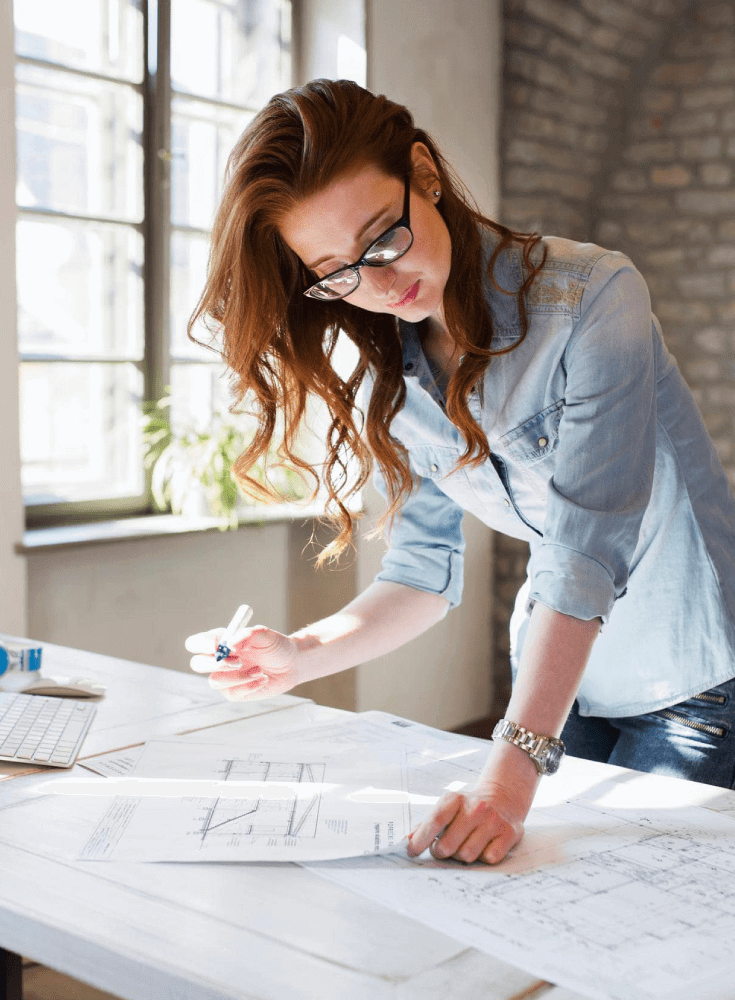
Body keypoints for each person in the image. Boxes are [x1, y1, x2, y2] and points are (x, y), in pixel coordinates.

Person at [184, 78, 735, 865]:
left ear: (425, 175)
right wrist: (300, 655)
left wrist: (506, 778)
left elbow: (583, 553)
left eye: (381, 239)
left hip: (690, 683)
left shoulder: (592, 298)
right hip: (557, 687)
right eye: (336, 270)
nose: (375, 286)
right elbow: (418, 574)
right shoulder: (390, 374)